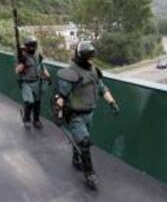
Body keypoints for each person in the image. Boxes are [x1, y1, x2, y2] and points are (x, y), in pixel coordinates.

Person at [53, 41, 120, 188]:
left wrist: (112, 102)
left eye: (92, 57)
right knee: (84, 141)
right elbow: (60, 96)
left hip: (89, 114)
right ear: (81, 56)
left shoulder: (94, 71)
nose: (91, 60)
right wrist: (58, 114)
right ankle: (89, 174)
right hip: (75, 114)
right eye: (88, 57)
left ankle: (76, 160)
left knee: (81, 140)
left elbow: (102, 88)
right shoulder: (71, 72)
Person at [15, 36, 50, 129]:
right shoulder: (22, 57)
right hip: (26, 82)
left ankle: (36, 120)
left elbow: (41, 66)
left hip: (37, 82)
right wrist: (22, 64)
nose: (32, 48)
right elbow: (17, 71)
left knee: (37, 103)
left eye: (34, 46)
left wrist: (47, 76)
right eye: (30, 46)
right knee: (29, 101)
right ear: (27, 46)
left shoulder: (38, 55)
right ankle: (26, 119)